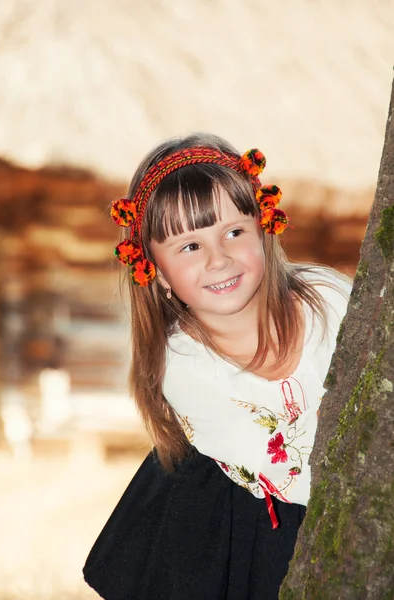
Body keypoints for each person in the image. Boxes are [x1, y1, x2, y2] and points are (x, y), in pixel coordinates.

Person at [83, 133, 352, 600]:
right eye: (189, 247)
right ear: (158, 273)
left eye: (233, 232)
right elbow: (294, 473)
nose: (219, 258)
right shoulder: (185, 369)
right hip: (277, 531)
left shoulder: (327, 298)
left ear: (263, 230)